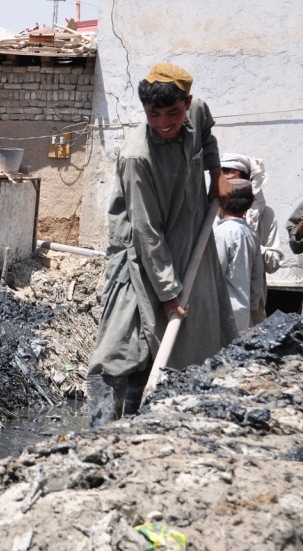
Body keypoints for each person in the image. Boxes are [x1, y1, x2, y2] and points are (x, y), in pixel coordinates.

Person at [86, 63, 237, 427]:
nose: (164, 122)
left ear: (187, 103)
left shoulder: (196, 112)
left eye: (173, 113)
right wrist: (169, 291)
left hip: (187, 245)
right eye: (154, 114)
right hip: (138, 257)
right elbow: (146, 231)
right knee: (117, 351)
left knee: (168, 349)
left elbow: (208, 135)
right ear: (144, 110)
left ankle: (141, 426)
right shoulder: (138, 157)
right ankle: (99, 435)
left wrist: (216, 175)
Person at [218, 153, 284, 324]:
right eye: (221, 171)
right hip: (219, 303)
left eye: (229, 171)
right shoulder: (211, 212)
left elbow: (274, 263)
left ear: (246, 178)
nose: (224, 176)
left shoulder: (265, 214)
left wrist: (249, 245)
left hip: (253, 303)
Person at [213, 179, 264, 334]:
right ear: (249, 205)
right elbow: (257, 280)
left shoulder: (220, 234)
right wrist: (251, 307)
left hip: (220, 317)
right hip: (242, 317)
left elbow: (214, 278)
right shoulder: (251, 234)